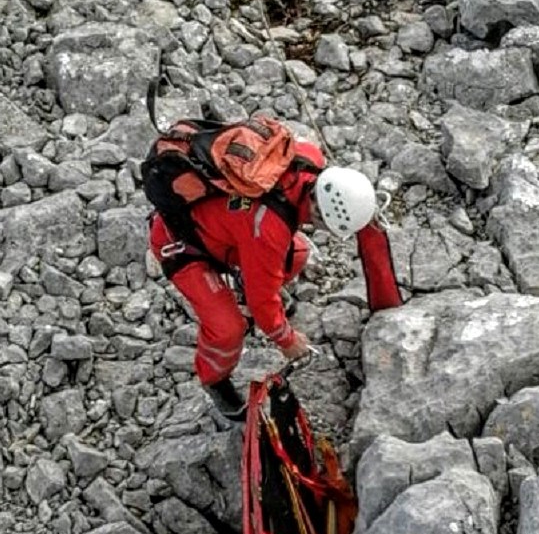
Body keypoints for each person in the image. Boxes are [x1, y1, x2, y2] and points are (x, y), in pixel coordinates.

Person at [148, 138, 378, 422]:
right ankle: (214, 380)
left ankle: (243, 281)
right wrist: (287, 339)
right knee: (228, 328)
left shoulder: (307, 160)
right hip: (181, 245)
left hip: (219, 229)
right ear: (320, 213)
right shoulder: (268, 229)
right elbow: (263, 302)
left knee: (298, 253)